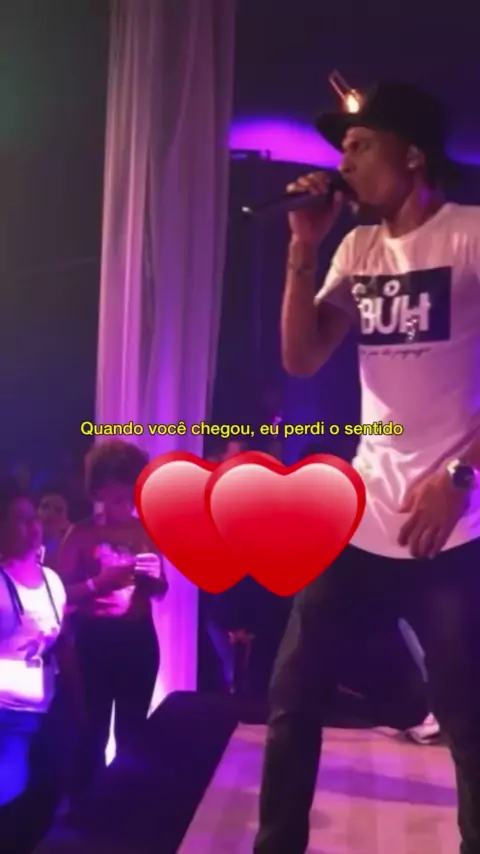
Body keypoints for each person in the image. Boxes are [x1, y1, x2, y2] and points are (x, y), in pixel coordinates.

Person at [253, 81, 480, 854]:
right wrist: (303, 247)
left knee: (468, 717)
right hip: (365, 514)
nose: (342, 162)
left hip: (455, 524)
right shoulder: (356, 250)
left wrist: (461, 478)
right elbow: (301, 355)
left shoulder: (470, 235)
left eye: (360, 145)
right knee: (292, 695)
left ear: (411, 155)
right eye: (341, 149)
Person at [57, 439, 168, 804]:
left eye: (131, 495)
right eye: (118, 496)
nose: (126, 504)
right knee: (91, 730)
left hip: (138, 639)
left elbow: (161, 589)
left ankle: (125, 807)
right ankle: (84, 807)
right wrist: (97, 584)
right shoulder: (81, 534)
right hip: (95, 642)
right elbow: (58, 594)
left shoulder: (146, 529)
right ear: (99, 491)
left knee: (134, 731)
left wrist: (154, 581)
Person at [0, 477, 76, 853]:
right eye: (21, 520)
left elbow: (63, 644)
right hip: (6, 719)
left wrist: (77, 702)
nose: (34, 527)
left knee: (46, 801)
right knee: (9, 805)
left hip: (49, 712)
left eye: (35, 519)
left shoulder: (52, 581)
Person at [38, 485, 71, 569]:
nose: (50, 513)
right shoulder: (23, 549)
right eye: (45, 507)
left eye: (58, 510)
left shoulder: (69, 555)